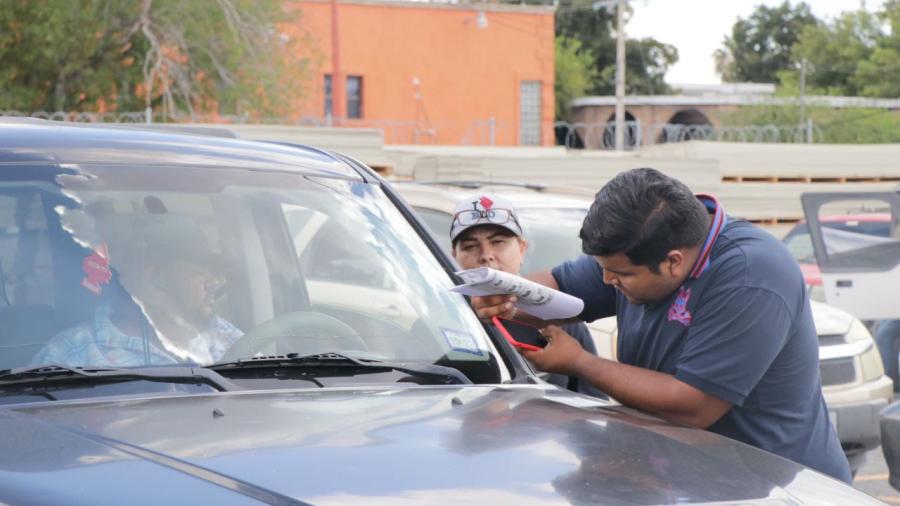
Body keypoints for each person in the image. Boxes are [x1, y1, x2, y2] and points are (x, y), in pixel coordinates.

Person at [472, 168, 852, 483]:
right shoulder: (639, 248)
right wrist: (506, 297)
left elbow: (692, 406)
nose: (606, 282)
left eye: (618, 274)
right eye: (603, 269)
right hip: (695, 477)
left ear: (673, 262)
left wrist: (580, 363)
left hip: (780, 486)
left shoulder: (750, 277)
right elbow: (559, 288)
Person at [32, 216, 242, 367]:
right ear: (155, 279)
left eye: (211, 272)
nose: (214, 282)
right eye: (198, 273)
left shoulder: (226, 336)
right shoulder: (72, 355)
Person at [450, 193, 604, 398]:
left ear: (522, 248)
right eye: (470, 246)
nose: (486, 255)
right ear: (454, 256)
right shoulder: (442, 320)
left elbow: (593, 402)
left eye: (498, 242)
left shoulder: (561, 317)